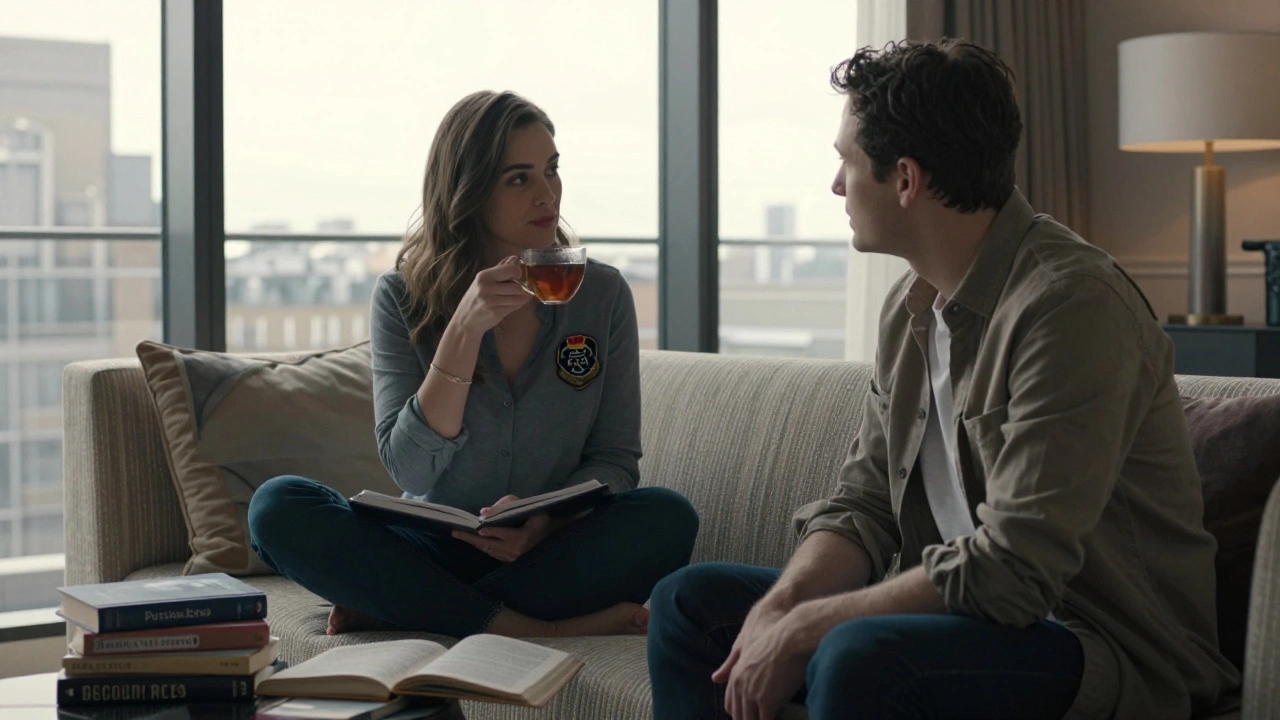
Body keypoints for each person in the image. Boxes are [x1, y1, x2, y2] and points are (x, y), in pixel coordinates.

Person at [647, 39, 1239, 720]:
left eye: (846, 161)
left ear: (905, 179)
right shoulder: (911, 311)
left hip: (1097, 641)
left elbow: (1015, 569)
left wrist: (812, 627)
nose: (837, 186)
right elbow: (863, 507)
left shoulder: (1071, 307)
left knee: (857, 653)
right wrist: (782, 607)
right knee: (688, 605)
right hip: (963, 624)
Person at [248, 90, 699, 640]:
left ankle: (407, 608)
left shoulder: (599, 293)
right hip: (432, 546)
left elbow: (615, 463)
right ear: (469, 191)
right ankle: (525, 627)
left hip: (549, 550)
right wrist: (463, 330)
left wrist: (546, 521)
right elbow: (410, 470)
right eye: (519, 178)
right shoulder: (401, 297)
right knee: (277, 506)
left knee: (667, 516)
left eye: (551, 170)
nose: (547, 194)